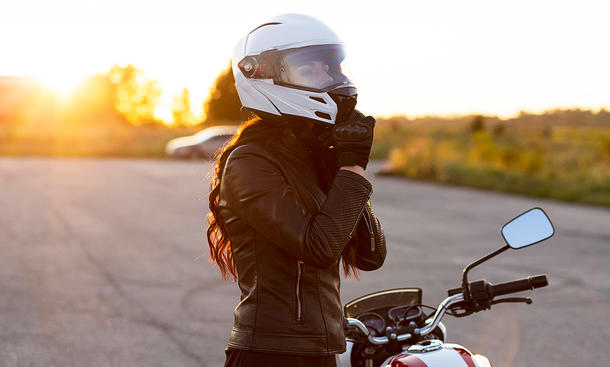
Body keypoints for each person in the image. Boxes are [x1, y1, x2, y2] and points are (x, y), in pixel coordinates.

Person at [206, 14, 386, 367]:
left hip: (320, 351)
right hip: (270, 353)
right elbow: (318, 248)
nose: (334, 80)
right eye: (312, 70)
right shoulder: (249, 163)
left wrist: (341, 162)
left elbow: (371, 255)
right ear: (264, 75)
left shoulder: (312, 159)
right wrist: (351, 170)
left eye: (331, 68)